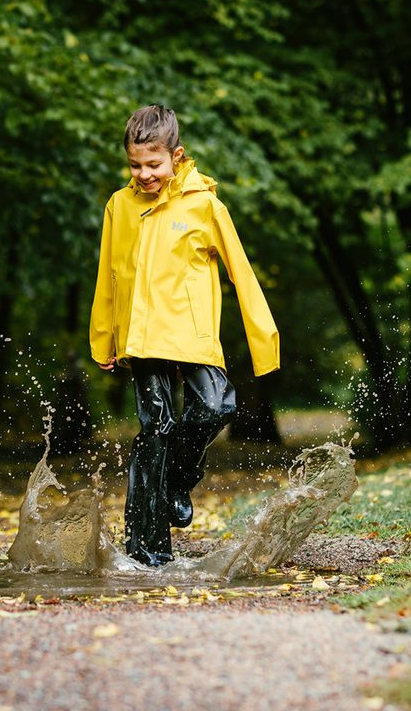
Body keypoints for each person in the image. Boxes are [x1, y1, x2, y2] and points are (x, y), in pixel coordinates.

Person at [89, 104, 280, 567]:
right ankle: (147, 549)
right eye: (135, 165)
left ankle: (177, 479)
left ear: (177, 155)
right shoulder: (120, 205)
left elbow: (242, 272)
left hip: (193, 335)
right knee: (155, 431)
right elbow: (108, 276)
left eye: (153, 164)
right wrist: (103, 338)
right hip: (141, 336)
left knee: (218, 406)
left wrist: (263, 340)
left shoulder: (205, 204)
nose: (144, 174)